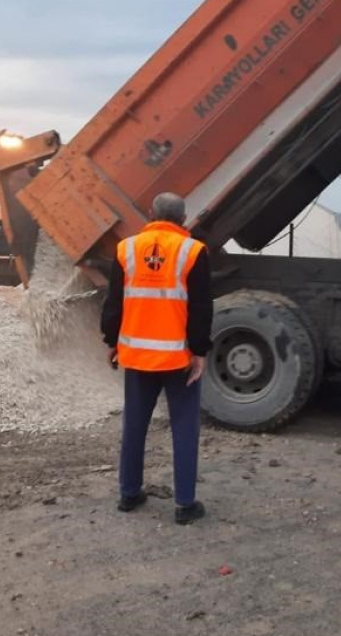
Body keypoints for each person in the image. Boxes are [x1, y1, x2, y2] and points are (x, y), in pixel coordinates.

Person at [100, 192, 213, 525]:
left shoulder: (127, 249)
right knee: (184, 428)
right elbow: (201, 308)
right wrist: (200, 352)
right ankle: (184, 504)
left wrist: (112, 340)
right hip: (178, 360)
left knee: (134, 426)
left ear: (151, 213)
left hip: (136, 356)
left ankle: (129, 494)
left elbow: (114, 302)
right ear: (183, 218)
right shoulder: (192, 252)